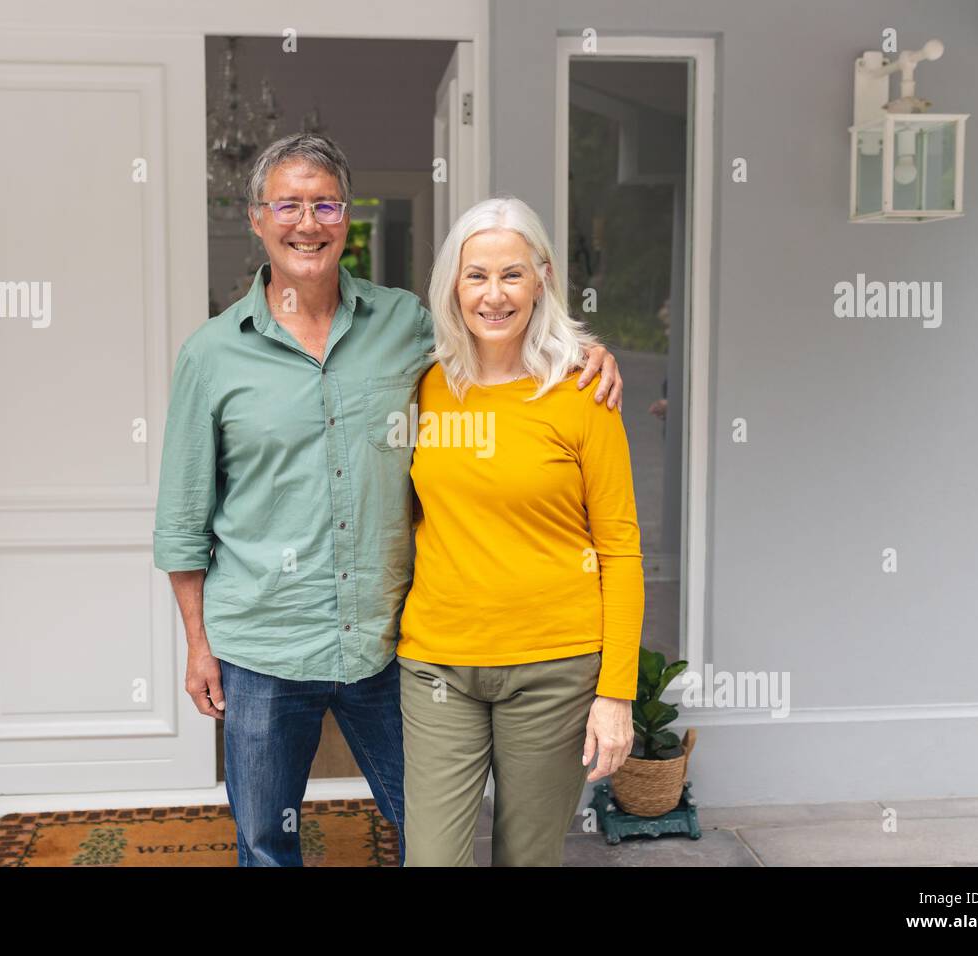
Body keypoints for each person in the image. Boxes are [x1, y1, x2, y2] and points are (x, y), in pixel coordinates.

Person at [151, 133, 624, 866]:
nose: (307, 222)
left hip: (387, 645)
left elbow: (501, 333)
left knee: (430, 838)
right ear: (256, 217)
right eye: (288, 204)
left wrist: (585, 350)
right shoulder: (210, 356)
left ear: (347, 217)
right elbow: (183, 522)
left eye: (325, 204)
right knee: (264, 844)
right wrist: (197, 644)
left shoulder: (408, 326)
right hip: (263, 647)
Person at [396, 196, 644, 866]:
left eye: (512, 275)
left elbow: (620, 550)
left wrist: (615, 694)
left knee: (527, 859)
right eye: (477, 275)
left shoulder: (585, 393)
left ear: (543, 279)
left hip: (554, 668)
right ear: (453, 283)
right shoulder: (421, 386)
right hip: (438, 663)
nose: (494, 295)